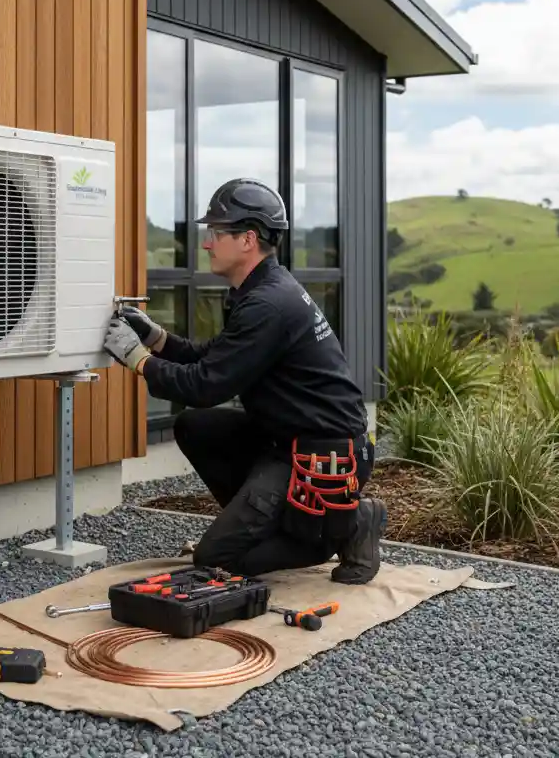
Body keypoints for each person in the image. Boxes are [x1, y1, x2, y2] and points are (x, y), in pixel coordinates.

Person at [102, 177, 387, 585]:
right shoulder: (259, 291)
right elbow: (213, 357)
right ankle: (273, 520)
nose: (206, 243)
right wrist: (153, 336)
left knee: (218, 559)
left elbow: (205, 386)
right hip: (285, 441)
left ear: (248, 239)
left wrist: (136, 359)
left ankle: (347, 525)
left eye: (216, 233)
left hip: (324, 458)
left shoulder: (267, 304)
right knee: (195, 427)